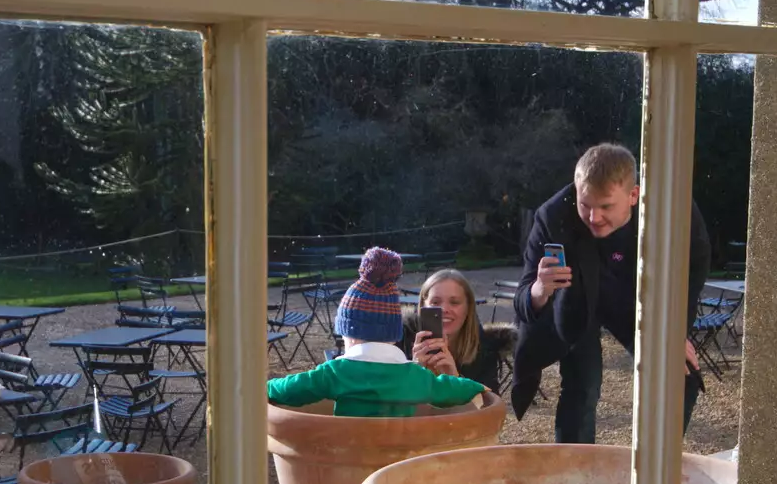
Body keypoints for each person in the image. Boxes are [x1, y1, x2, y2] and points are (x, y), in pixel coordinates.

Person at [511, 142, 710, 443]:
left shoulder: (673, 210)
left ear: (633, 196)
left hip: (634, 294)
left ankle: (653, 470)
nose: (593, 218)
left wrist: (673, 330)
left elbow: (694, 268)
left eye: (605, 206)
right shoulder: (552, 216)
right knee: (582, 384)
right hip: (576, 297)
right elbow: (523, 302)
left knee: (680, 375)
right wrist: (539, 290)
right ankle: (577, 475)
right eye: (585, 205)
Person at [268, 248, 486, 416]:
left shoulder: (335, 373)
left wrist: (265, 386)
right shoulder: (416, 376)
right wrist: (477, 387)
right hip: (399, 464)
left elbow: (288, 389)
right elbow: (450, 390)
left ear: (351, 335)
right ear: (393, 335)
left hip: (349, 460)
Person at [398, 268, 513, 389]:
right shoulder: (403, 340)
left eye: (454, 302)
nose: (444, 309)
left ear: (468, 308)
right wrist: (415, 372)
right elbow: (387, 401)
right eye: (435, 302)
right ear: (422, 306)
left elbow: (490, 406)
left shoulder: (484, 349)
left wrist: (456, 381)